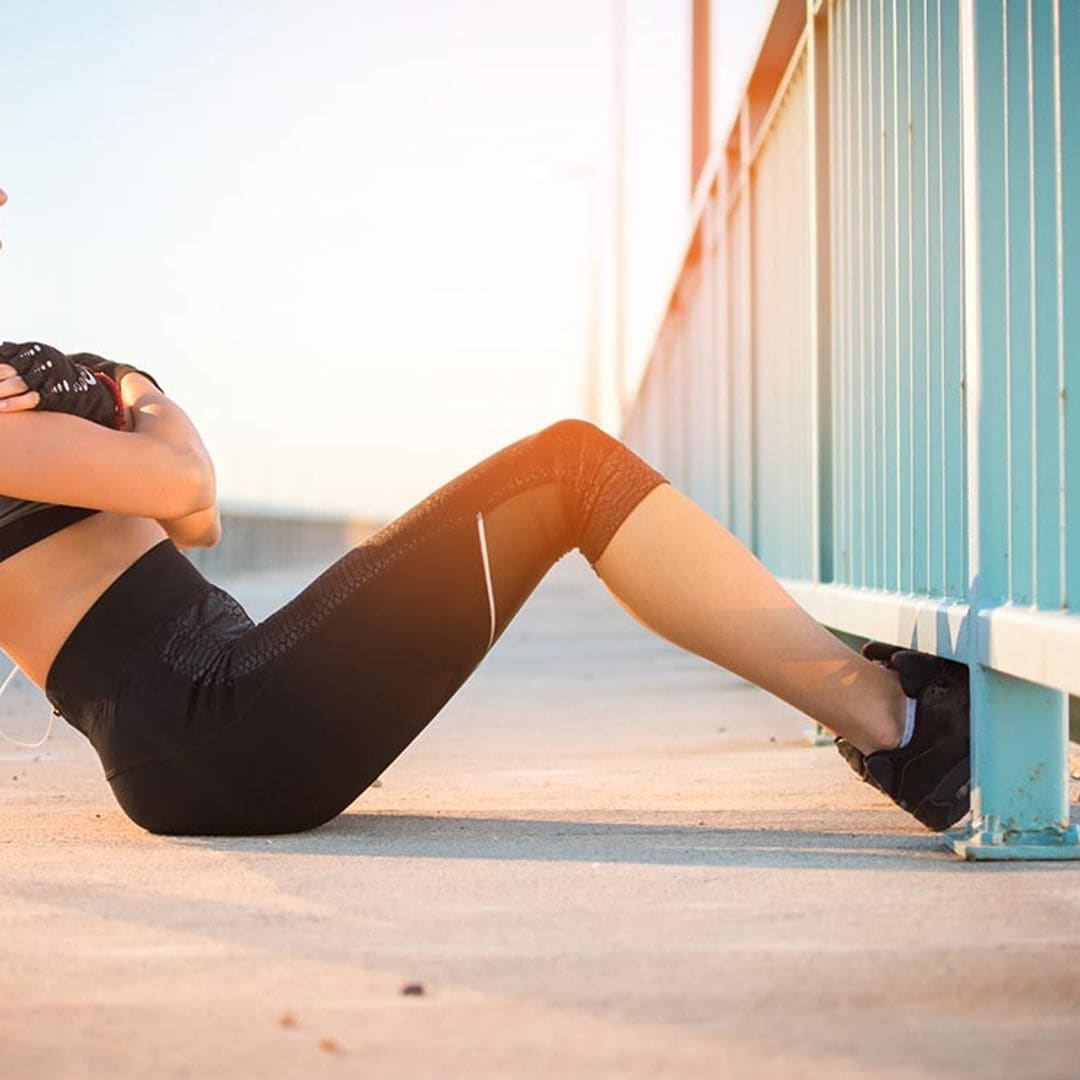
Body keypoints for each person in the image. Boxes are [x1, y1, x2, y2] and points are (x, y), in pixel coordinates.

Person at [0, 184, 970, 837]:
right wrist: (134, 390)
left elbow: (196, 530)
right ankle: (901, 732)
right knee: (569, 472)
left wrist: (128, 399)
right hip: (211, 729)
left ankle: (889, 716)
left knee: (567, 470)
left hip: (215, 719)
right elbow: (187, 489)